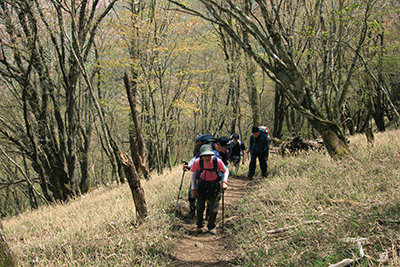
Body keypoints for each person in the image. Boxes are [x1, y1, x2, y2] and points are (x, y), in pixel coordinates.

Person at [183, 136, 234, 219]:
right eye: (226, 147)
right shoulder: (207, 148)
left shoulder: (226, 152)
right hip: (201, 174)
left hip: (215, 175)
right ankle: (192, 211)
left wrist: (224, 181)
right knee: (192, 192)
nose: (227, 149)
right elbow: (196, 158)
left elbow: (225, 167)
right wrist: (188, 166)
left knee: (212, 194)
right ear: (219, 145)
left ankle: (208, 214)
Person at [190, 144, 229, 235]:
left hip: (214, 187)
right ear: (201, 156)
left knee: (213, 209)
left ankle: (211, 226)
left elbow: (225, 170)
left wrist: (224, 182)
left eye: (209, 155)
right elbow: (193, 174)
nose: (207, 158)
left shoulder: (217, 161)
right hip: (201, 187)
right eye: (205, 156)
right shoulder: (197, 162)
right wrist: (193, 189)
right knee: (199, 208)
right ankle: (200, 226)